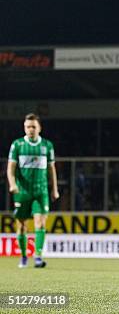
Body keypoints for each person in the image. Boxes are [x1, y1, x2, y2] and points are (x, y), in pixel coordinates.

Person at [7, 113, 59, 268]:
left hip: (40, 191)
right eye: (27, 127)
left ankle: (38, 256)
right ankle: (23, 256)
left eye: (33, 127)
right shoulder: (17, 145)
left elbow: (52, 169)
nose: (30, 129)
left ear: (39, 128)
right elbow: (10, 168)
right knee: (22, 226)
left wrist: (54, 189)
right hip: (22, 192)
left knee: (40, 223)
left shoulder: (47, 146)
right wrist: (12, 184)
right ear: (24, 128)